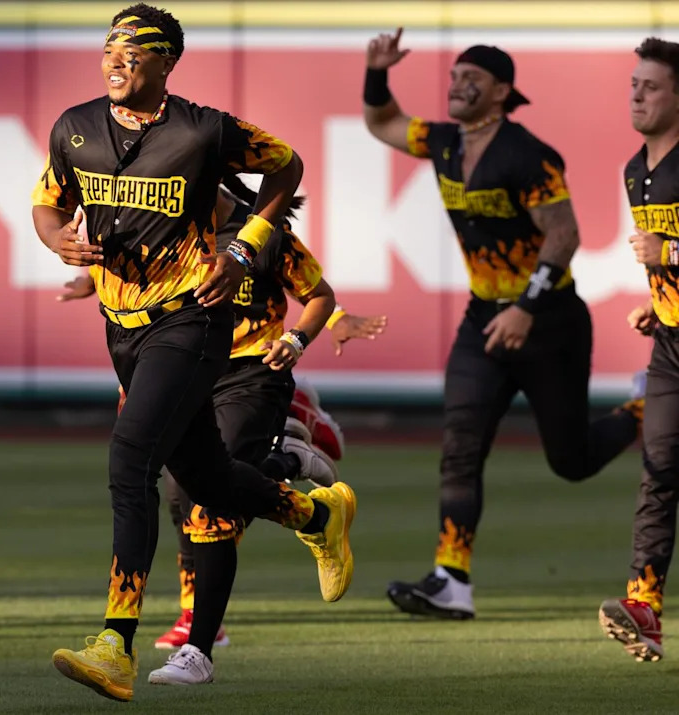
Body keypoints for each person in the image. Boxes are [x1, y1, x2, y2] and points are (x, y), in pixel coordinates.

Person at [32, 4, 356, 701]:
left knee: (131, 460)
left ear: (166, 62)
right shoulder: (74, 127)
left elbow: (287, 164)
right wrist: (57, 238)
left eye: (134, 52)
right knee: (207, 479)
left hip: (193, 321)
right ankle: (314, 515)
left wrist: (245, 249)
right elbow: (48, 205)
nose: (116, 61)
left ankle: (115, 641)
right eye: (109, 49)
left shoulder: (202, 129)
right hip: (122, 326)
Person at [362, 31, 643, 620]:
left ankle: (644, 409)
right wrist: (377, 73)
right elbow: (382, 123)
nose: (458, 85)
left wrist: (526, 308)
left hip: (550, 323)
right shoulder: (443, 142)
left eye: (474, 79)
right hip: (483, 318)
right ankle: (452, 579)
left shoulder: (527, 154)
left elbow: (566, 236)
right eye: (455, 75)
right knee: (460, 448)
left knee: (570, 461)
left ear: (502, 93)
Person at [59, 180, 386, 681]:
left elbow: (317, 294)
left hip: (252, 373)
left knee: (207, 509)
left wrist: (300, 338)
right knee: (183, 492)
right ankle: (308, 498)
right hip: (185, 373)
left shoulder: (261, 235)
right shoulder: (168, 229)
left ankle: (198, 649)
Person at [598, 37, 679, 663]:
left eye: (649, 86)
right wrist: (660, 300)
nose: (637, 94)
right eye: (633, 84)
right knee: (657, 473)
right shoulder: (635, 169)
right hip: (672, 346)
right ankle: (643, 606)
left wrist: (671, 256)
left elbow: (668, 249)